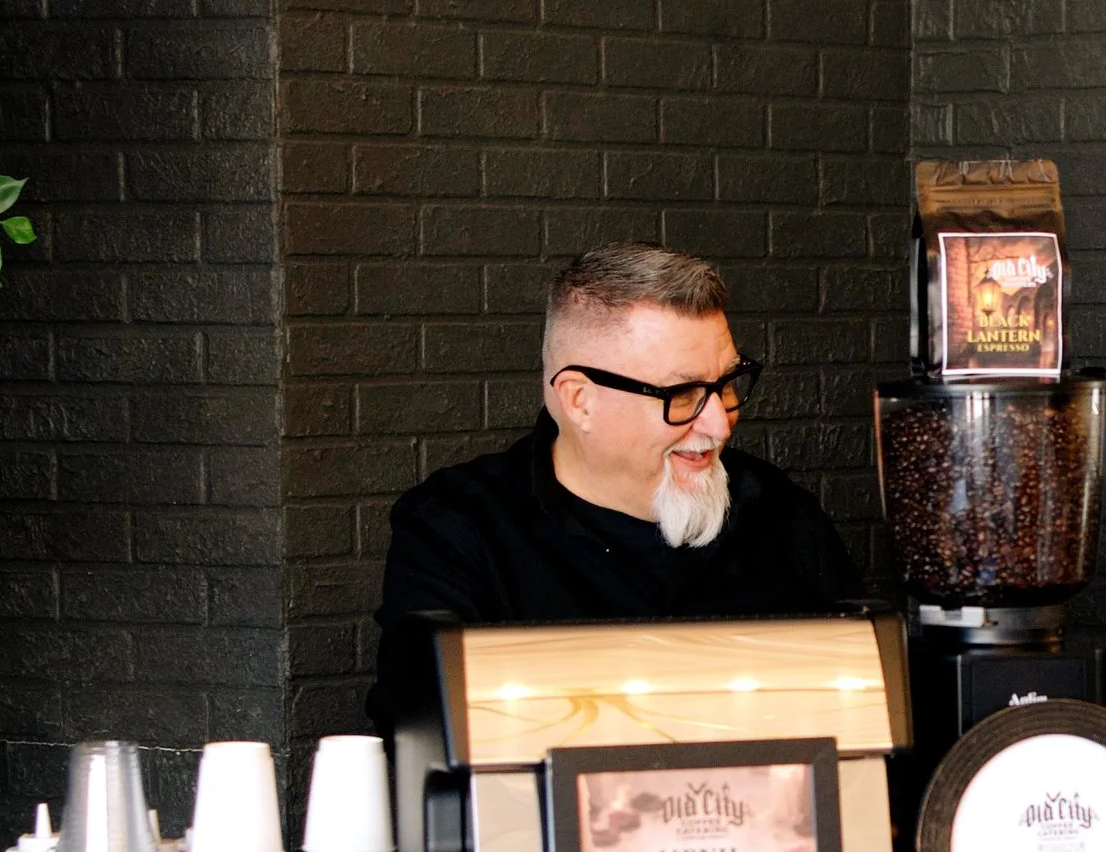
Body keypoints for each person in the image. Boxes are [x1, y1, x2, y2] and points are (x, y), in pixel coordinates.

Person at [369, 242, 864, 729]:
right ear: (580, 401)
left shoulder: (780, 514)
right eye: (682, 394)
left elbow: (865, 711)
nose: (719, 425)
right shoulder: (458, 530)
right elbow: (421, 734)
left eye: (726, 384)